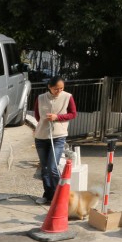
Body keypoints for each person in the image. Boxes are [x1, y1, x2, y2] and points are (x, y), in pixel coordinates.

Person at [33, 76, 76, 205]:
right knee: (45, 168)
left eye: (61, 88)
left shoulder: (67, 97)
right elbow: (37, 115)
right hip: (41, 136)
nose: (59, 91)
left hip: (58, 136)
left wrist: (57, 117)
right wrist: (44, 124)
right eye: (56, 89)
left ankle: (60, 196)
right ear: (49, 87)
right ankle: (48, 195)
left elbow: (73, 114)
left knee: (52, 167)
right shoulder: (41, 98)